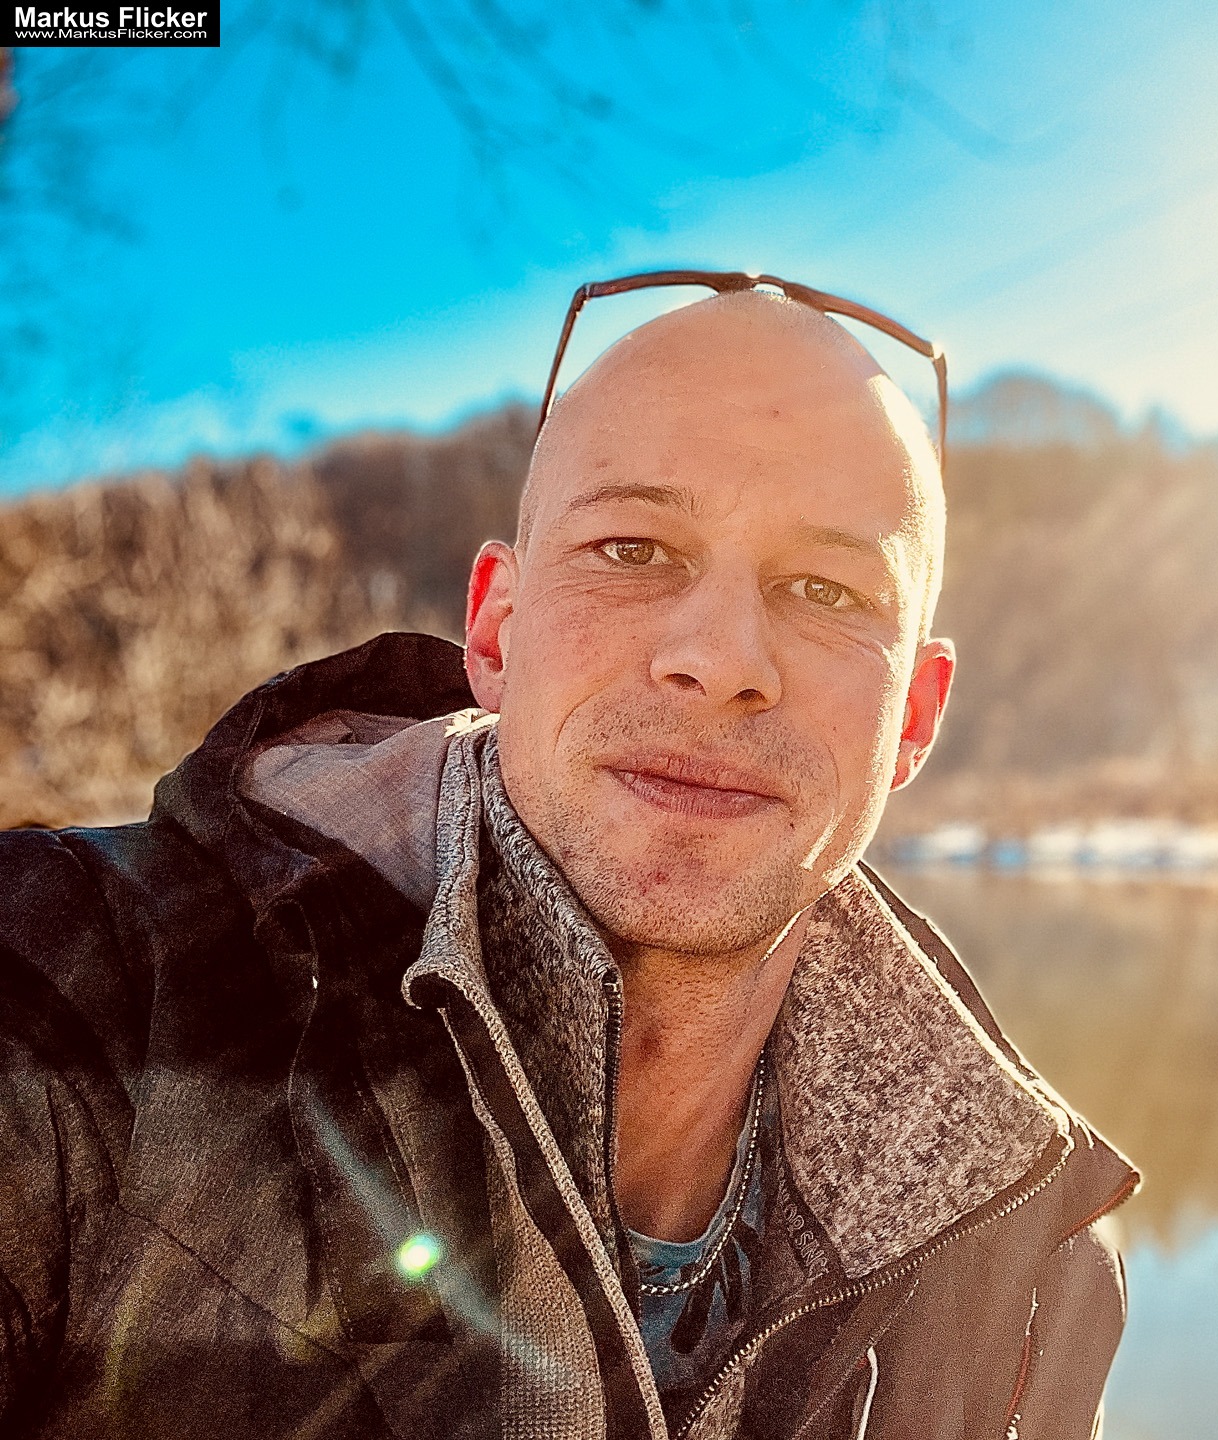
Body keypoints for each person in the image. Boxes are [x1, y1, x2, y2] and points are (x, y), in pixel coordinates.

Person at [0, 284, 1138, 1440]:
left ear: (914, 719)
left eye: (825, 590)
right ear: (496, 631)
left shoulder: (1030, 1272)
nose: (720, 659)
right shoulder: (58, 1001)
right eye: (633, 549)